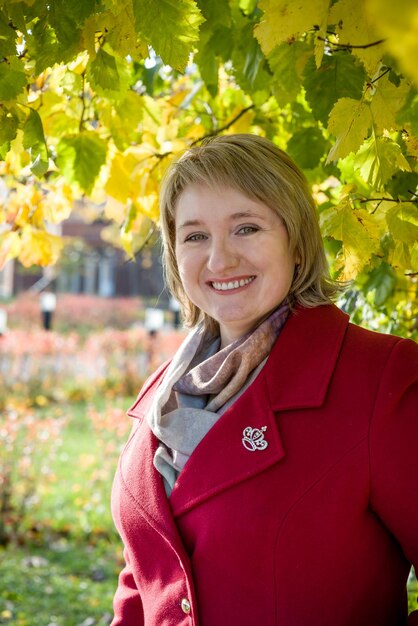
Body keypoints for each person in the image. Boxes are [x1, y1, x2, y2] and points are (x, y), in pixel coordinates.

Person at [110, 134, 418, 626]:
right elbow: (145, 577)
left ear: (296, 242)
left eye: (246, 228)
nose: (219, 260)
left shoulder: (381, 379)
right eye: (194, 236)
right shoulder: (167, 391)